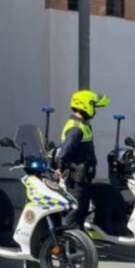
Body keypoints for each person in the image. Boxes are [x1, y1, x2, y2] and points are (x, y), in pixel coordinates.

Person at [57, 89, 111, 230]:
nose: (95, 110)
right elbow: (65, 151)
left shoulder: (82, 125)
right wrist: (59, 168)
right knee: (74, 212)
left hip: (83, 177)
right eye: (94, 106)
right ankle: (67, 242)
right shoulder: (76, 128)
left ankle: (79, 243)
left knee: (82, 211)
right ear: (85, 105)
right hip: (76, 179)